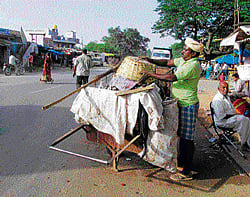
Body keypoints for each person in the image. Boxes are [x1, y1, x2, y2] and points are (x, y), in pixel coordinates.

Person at [139, 37, 203, 181]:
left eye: (186, 50)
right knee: (178, 134)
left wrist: (150, 74)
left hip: (188, 105)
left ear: (193, 54)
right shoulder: (184, 61)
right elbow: (167, 63)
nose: (183, 51)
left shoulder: (192, 65)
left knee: (187, 138)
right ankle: (181, 161)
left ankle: (187, 171)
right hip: (178, 103)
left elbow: (171, 77)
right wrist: (150, 60)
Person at [212, 81, 250, 151]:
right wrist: (235, 115)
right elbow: (221, 116)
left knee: (246, 120)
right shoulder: (217, 100)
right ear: (218, 88)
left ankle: (246, 142)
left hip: (229, 118)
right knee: (244, 120)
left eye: (226, 87)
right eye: (223, 88)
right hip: (223, 121)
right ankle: (244, 143)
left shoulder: (226, 97)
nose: (225, 89)